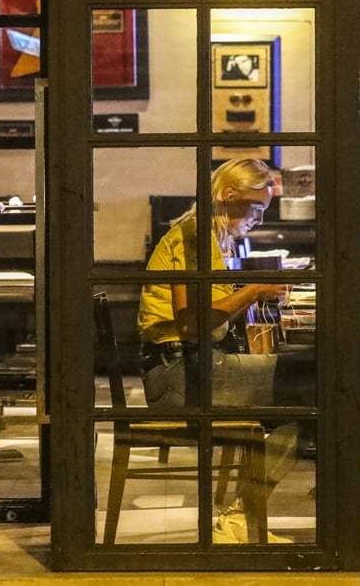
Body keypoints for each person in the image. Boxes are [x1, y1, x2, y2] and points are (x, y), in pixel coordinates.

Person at [137, 158, 308, 544]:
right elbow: (190, 325)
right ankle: (244, 517)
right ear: (230, 195)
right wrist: (253, 290)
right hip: (180, 375)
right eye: (257, 208)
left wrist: (251, 295)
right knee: (320, 387)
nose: (259, 220)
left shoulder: (208, 236)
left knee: (319, 390)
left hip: (191, 366)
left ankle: (246, 516)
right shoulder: (195, 235)